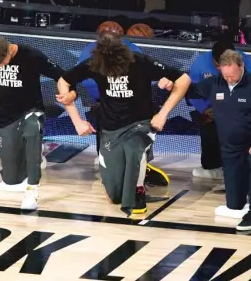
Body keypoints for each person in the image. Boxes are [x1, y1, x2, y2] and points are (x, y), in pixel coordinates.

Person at [57, 32, 191, 216]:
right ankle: (132, 167)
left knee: (135, 149)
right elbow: (63, 81)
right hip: (110, 126)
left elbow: (183, 79)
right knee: (114, 197)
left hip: (140, 122)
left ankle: (138, 188)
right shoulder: (94, 63)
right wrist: (77, 120)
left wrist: (163, 114)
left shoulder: (139, 61)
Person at [0, 36, 77, 210]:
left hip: (31, 110)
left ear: (10, 50)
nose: (0, 65)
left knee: (32, 131)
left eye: (3, 62)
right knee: (11, 181)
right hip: (6, 117)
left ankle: (32, 189)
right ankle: (30, 154)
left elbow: (61, 76)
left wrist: (72, 94)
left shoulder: (31, 55)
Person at [180, 50, 251, 231]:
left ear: (242, 66)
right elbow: (190, 89)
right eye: (226, 76)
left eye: (234, 76)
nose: (230, 80)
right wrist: (170, 84)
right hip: (230, 147)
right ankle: (241, 200)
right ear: (219, 69)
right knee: (234, 205)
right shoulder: (214, 83)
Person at [75, 27, 170, 187]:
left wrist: (166, 81)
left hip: (134, 103)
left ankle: (142, 164)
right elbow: (77, 79)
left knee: (141, 126)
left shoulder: (135, 54)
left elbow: (147, 76)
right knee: (106, 121)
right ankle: (110, 163)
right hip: (105, 102)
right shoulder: (91, 55)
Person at [188, 40, 251, 180]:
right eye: (217, 65)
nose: (220, 68)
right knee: (208, 125)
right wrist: (204, 109)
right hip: (209, 108)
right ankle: (211, 167)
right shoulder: (199, 64)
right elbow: (192, 93)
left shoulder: (246, 62)